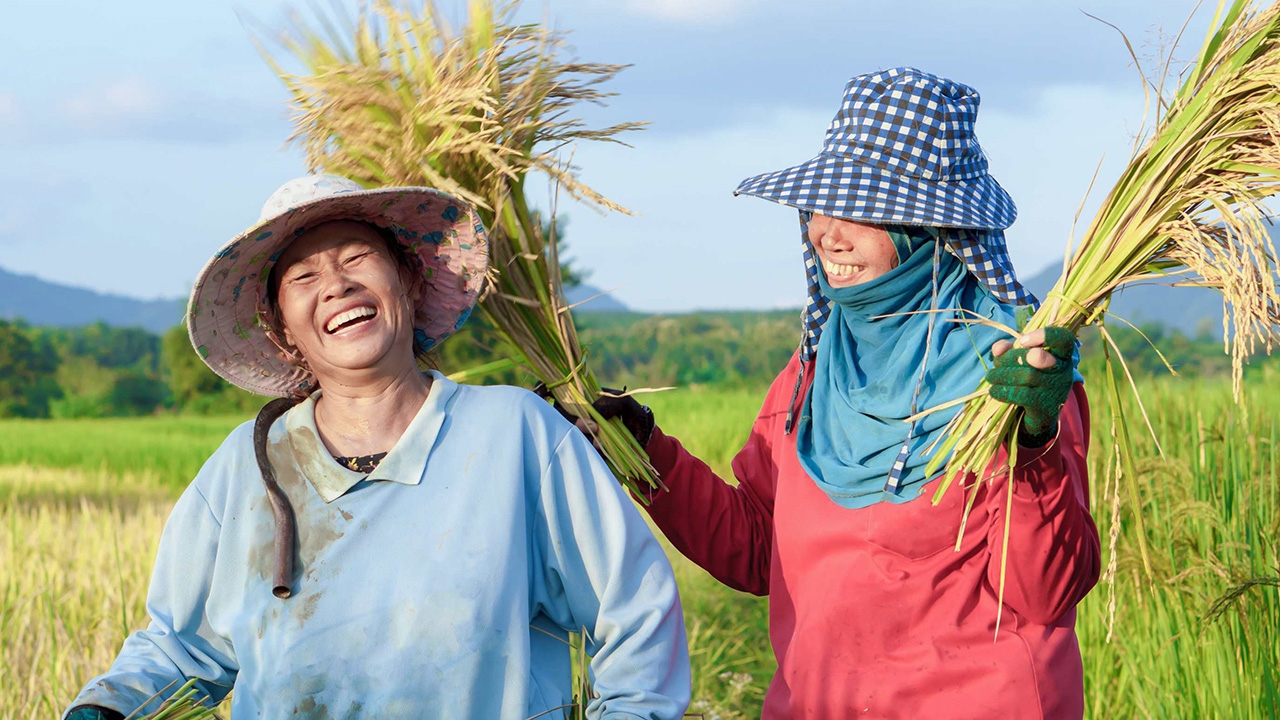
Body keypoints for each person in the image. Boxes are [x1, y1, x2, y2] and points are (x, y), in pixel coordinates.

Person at [63, 175, 691, 720]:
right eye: (304, 276)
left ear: (409, 282)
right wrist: (107, 705)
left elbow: (633, 611)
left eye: (357, 258)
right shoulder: (247, 468)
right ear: (284, 331)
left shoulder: (514, 434)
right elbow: (182, 645)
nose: (335, 285)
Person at [586, 68, 1099, 718]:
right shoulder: (809, 375)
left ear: (928, 229)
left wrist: (1033, 443)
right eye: (823, 205)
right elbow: (758, 552)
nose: (827, 232)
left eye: (862, 208)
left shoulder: (1013, 372)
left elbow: (1048, 591)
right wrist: (645, 452)